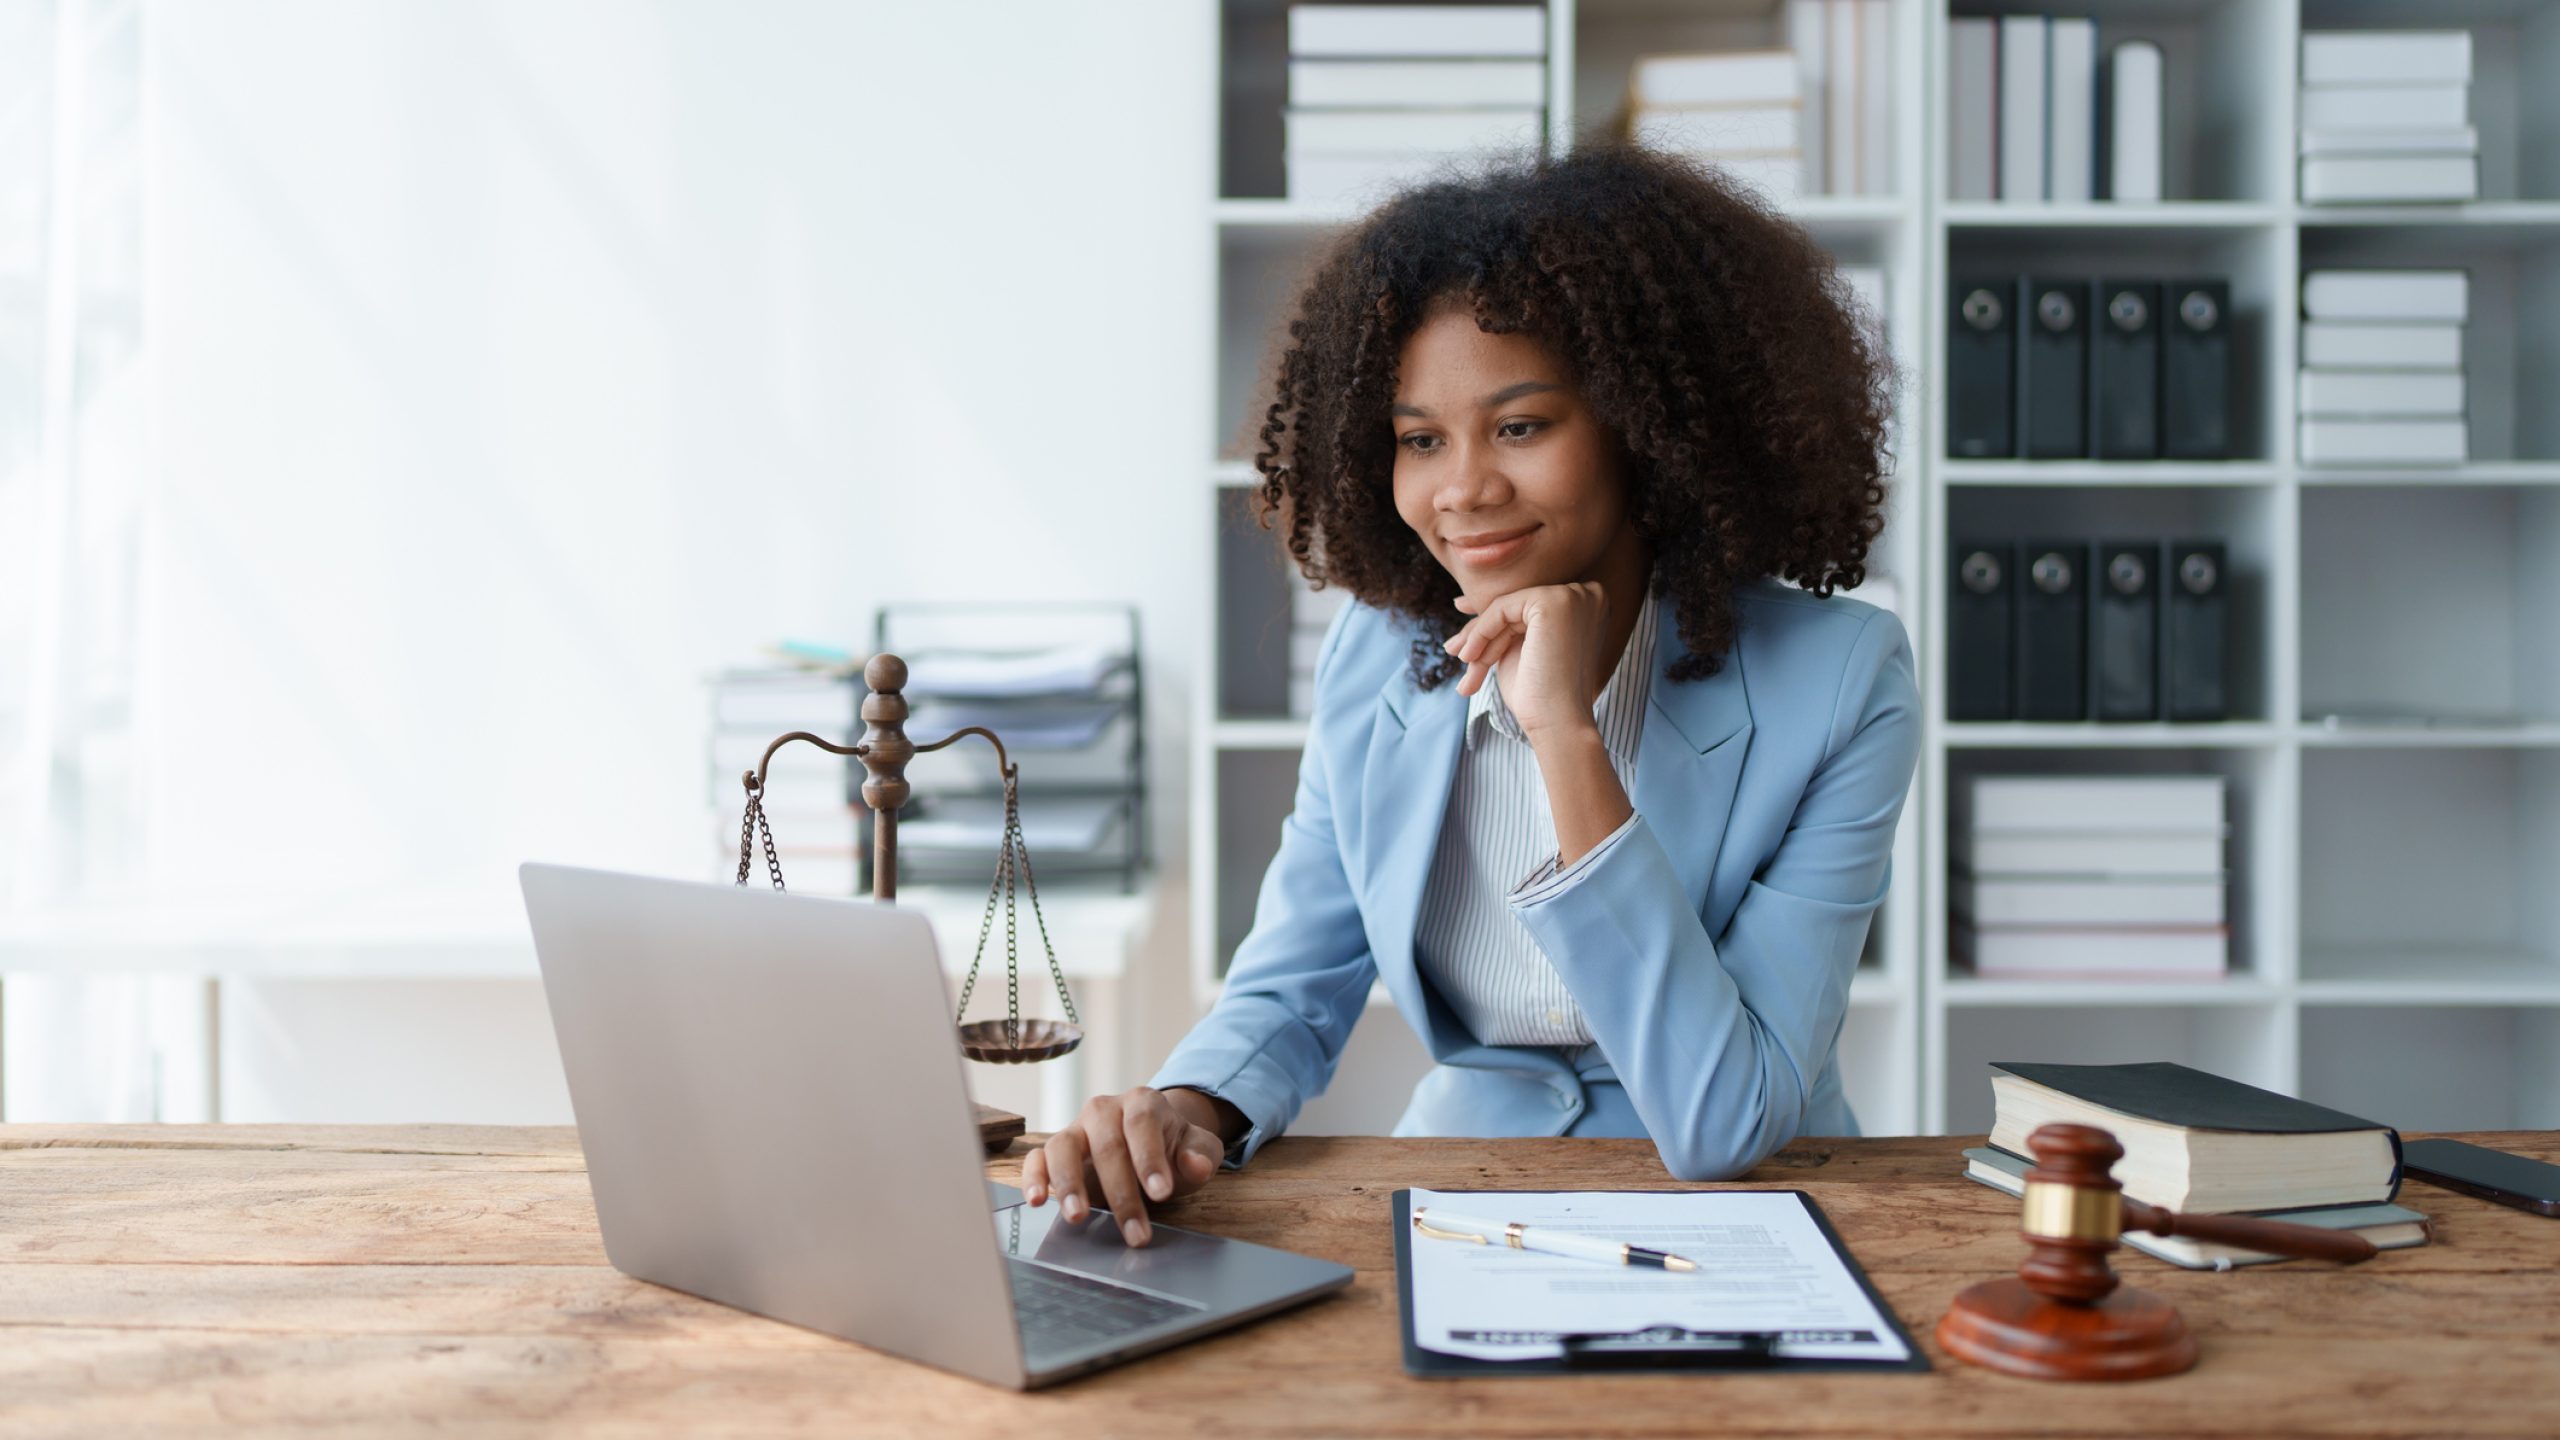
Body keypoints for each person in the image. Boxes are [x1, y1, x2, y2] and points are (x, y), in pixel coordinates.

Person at [1026, 144, 1918, 1247]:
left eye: (1521, 426)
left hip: (1747, 1215)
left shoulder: (1840, 680)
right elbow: (1294, 981)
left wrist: (1562, 733)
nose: (1462, 490)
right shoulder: (1378, 654)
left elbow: (1721, 1118)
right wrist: (1185, 1108)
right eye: (1417, 440)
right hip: (1462, 1190)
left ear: (1647, 429)